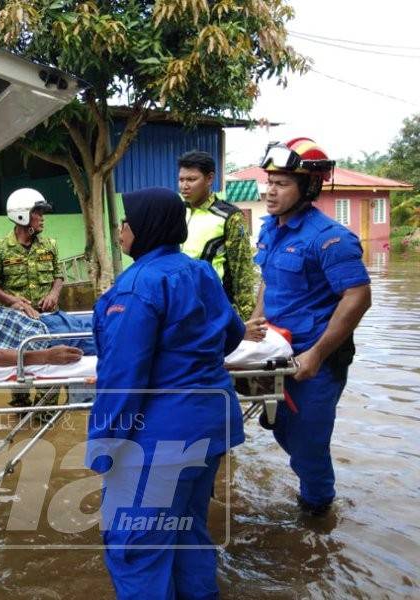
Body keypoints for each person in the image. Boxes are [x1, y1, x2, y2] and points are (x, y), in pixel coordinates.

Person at [87, 187, 246, 599]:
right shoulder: (201, 272)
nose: (121, 229)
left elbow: (123, 379)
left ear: (145, 226)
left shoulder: (136, 286)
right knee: (187, 531)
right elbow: (232, 334)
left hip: (162, 437)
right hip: (210, 424)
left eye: (126, 221)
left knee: (135, 545)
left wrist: (103, 444)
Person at [253, 137, 371, 516]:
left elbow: (358, 296)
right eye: (269, 181)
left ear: (308, 187)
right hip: (276, 353)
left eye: (282, 183)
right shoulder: (271, 229)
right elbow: (268, 281)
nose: (270, 191)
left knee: (308, 444)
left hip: (315, 362)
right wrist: (254, 325)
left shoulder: (329, 238)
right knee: (283, 429)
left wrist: (318, 354)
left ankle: (318, 513)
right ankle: (315, 493)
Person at [178, 150, 257, 320]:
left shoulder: (230, 216)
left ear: (209, 178)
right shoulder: (176, 211)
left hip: (213, 309)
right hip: (179, 305)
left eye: (191, 179)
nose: (184, 185)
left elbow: (242, 272)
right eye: (181, 179)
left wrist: (247, 320)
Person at [0, 188, 64, 317]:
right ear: (21, 215)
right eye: (38, 213)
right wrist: (12, 300)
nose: (42, 219)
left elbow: (58, 275)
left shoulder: (50, 245)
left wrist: (53, 295)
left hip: (50, 317)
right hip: (17, 319)